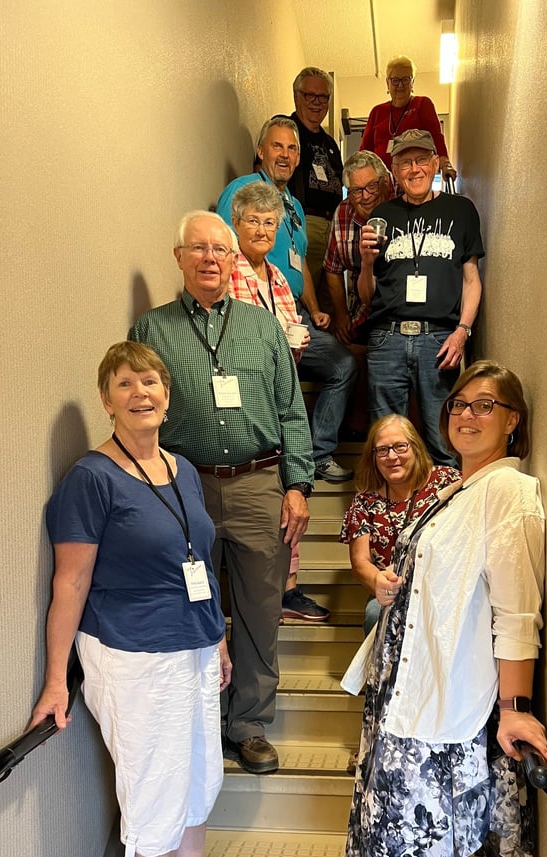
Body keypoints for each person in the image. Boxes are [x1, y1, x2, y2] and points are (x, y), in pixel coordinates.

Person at [30, 341, 259, 857]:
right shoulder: (91, 479)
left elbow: (198, 560)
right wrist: (55, 680)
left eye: (151, 381)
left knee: (198, 780)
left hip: (193, 647)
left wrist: (217, 637)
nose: (141, 392)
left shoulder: (181, 469)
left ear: (167, 394)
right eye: (125, 383)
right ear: (107, 400)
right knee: (156, 787)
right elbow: (70, 583)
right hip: (131, 654)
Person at [332, 361, 547, 857]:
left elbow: (517, 611)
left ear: (513, 421)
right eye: (459, 403)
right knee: (378, 830)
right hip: (396, 691)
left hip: (441, 705)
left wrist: (514, 709)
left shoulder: (508, 491)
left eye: (486, 404)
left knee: (420, 843)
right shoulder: (453, 489)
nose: (467, 414)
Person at [130, 211, 314, 775]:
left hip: (260, 484)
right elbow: (140, 411)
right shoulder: (151, 330)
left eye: (220, 250)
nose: (210, 258)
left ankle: (249, 724)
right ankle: (200, 720)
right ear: (179, 257)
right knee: (190, 606)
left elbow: (291, 409)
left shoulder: (263, 327)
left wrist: (298, 485)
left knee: (260, 609)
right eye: (198, 248)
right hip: (184, 488)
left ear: (234, 260)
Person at [217, 118, 357, 484]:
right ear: (261, 151)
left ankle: (317, 455)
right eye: (277, 146)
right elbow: (222, 246)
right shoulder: (243, 189)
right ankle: (281, 462)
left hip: (291, 313)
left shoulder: (293, 205)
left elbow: (301, 263)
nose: (285, 154)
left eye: (292, 148)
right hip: (251, 314)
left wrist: (315, 309)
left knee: (343, 365)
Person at [227, 180, 330, 623]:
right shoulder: (227, 270)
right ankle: (265, 589)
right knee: (264, 498)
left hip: (279, 394)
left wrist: (296, 344)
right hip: (243, 402)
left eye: (270, 223)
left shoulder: (278, 278)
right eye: (254, 221)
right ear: (236, 223)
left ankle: (288, 586)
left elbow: (287, 334)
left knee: (293, 489)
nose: (262, 230)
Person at [358, 128, 484, 467]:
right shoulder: (381, 216)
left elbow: (471, 280)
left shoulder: (461, 210)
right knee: (387, 445)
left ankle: (443, 502)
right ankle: (394, 503)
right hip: (387, 339)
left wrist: (462, 332)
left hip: (440, 341)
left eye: (421, 160)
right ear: (394, 171)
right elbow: (367, 296)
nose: (414, 169)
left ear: (435, 163)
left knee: (445, 442)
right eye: (404, 163)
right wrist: (366, 263)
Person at [340, 414, 459, 634]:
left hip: (442, 585)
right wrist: (378, 580)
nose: (392, 456)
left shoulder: (447, 482)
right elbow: (360, 562)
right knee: (375, 613)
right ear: (373, 457)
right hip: (393, 589)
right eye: (382, 450)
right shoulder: (364, 501)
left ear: (416, 447)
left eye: (400, 447)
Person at [285, 67, 344, 304]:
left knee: (329, 303)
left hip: (334, 228)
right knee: (302, 299)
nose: (316, 103)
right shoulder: (286, 130)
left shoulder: (330, 143)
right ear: (296, 96)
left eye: (323, 97)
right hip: (302, 223)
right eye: (310, 95)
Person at [324, 150, 394, 346]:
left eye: (372, 186)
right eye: (357, 190)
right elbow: (332, 268)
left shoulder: (402, 199)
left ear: (385, 182)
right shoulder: (343, 212)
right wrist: (341, 315)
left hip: (399, 309)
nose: (366, 196)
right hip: (364, 307)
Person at [360, 55, 456, 180]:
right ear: (387, 83)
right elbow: (365, 151)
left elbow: (436, 138)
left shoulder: (422, 104)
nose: (400, 85)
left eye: (405, 79)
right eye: (395, 80)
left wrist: (445, 165)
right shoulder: (377, 111)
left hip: (413, 178)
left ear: (412, 82)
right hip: (382, 181)